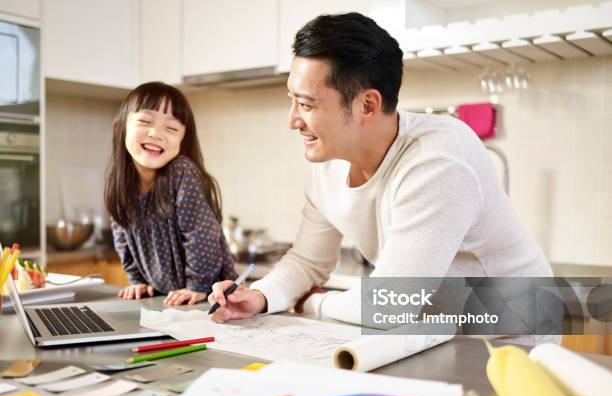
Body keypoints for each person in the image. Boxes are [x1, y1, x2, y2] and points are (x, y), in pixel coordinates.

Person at [208, 13, 552, 326]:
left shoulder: (438, 162)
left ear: (367, 105)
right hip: (433, 328)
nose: (293, 121)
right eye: (292, 100)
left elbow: (391, 305)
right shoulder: (328, 161)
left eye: (307, 104)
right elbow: (307, 261)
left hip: (510, 332)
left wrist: (311, 304)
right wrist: (260, 296)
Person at [105, 81, 236, 306]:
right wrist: (136, 279)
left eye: (172, 128)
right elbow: (122, 236)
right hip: (167, 299)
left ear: (183, 140)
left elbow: (200, 235)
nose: (156, 133)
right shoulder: (119, 181)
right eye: (145, 121)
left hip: (210, 297)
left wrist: (198, 285)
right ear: (120, 128)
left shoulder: (181, 172)